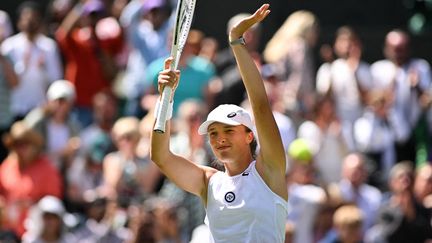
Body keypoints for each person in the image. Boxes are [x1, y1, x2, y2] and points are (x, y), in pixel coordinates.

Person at [150, 4, 287, 242]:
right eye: (212, 133)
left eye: (228, 130)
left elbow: (261, 106)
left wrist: (236, 42)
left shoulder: (269, 171)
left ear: (249, 136)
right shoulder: (208, 182)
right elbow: (161, 156)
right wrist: (166, 98)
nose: (219, 138)